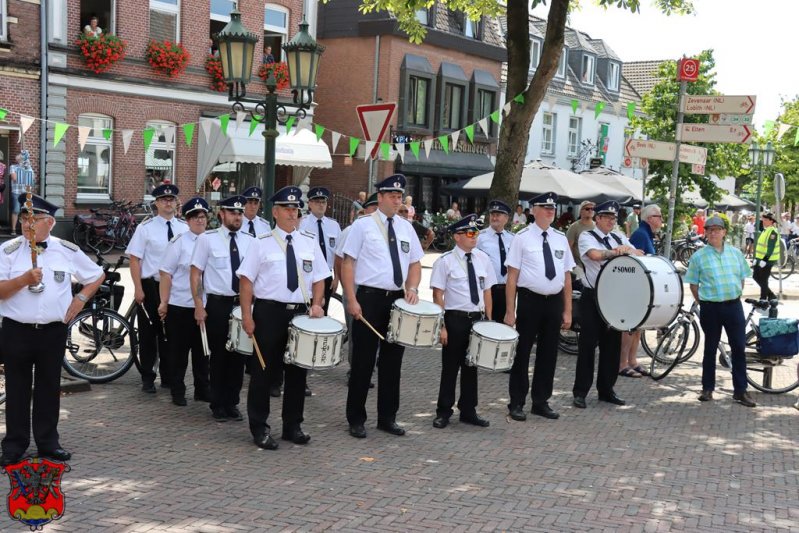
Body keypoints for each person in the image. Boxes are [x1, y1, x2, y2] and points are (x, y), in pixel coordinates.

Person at [0, 194, 104, 465]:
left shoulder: (66, 250)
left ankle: (48, 442)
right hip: (17, 330)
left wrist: (81, 298)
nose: (27, 224)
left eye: (33, 219)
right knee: (17, 389)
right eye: (24, 218)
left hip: (52, 331)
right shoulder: (8, 250)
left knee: (48, 387)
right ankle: (14, 445)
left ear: (50, 223)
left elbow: (96, 275)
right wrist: (23, 280)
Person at [237, 186, 330, 449]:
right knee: (263, 371)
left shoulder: (308, 241)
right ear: (275, 212)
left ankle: (293, 426)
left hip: (300, 313)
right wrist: (247, 316)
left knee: (298, 372)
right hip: (269, 312)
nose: (292, 213)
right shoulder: (261, 242)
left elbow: (319, 278)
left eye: (295, 209)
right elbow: (246, 281)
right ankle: (259, 427)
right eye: (287, 209)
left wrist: (317, 304)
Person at [341, 174, 424, 439]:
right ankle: (356, 418)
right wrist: (351, 299)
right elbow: (347, 263)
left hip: (396, 300)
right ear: (380, 197)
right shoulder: (363, 226)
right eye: (392, 196)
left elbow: (415, 263)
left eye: (400, 197)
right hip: (369, 298)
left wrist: (412, 288)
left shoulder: (406, 228)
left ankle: (388, 417)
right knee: (363, 361)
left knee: (392, 361)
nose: (397, 201)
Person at [504, 192, 574, 421]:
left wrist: (568, 310)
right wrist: (510, 311)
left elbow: (567, 276)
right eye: (545, 207)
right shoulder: (522, 237)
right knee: (523, 352)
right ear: (533, 211)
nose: (550, 211)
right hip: (530, 300)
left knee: (549, 353)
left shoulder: (560, 238)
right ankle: (517, 402)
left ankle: (541, 401)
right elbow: (512, 277)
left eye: (553, 208)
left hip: (553, 301)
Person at [190, 195, 255, 422]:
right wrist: (199, 305)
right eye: (232, 212)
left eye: (240, 213)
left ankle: (232, 402)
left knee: (239, 356)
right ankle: (217, 403)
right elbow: (196, 274)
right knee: (219, 355)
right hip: (218, 304)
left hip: (241, 304)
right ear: (222, 214)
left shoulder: (250, 240)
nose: (237, 216)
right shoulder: (207, 239)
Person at [573, 200, 642, 409]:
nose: (612, 221)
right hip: (593, 297)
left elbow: (639, 253)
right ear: (598, 218)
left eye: (614, 218)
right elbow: (594, 255)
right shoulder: (587, 236)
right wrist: (617, 252)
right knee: (587, 346)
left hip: (614, 298)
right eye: (607, 218)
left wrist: (627, 250)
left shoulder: (618, 237)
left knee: (611, 347)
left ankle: (606, 389)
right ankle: (580, 392)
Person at [430, 215, 495, 429]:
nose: (474, 236)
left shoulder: (483, 259)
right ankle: (443, 411)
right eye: (469, 233)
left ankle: (468, 410)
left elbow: (487, 291)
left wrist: (489, 321)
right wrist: (442, 326)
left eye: (476, 232)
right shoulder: (445, 261)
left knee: (471, 367)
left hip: (476, 320)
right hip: (455, 319)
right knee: (450, 368)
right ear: (457, 237)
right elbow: (438, 295)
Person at [684, 216, 756, 407]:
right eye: (710, 230)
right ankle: (707, 388)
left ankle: (740, 391)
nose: (714, 233)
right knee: (710, 348)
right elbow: (693, 284)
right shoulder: (698, 257)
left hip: (733, 306)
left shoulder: (736, 254)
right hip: (711, 308)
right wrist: (704, 302)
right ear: (705, 233)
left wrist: (734, 294)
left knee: (738, 348)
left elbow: (742, 278)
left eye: (717, 229)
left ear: (724, 232)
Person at [126, 184, 188, 393]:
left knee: (171, 333)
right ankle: (147, 377)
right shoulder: (146, 228)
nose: (168, 203)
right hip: (151, 285)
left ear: (176, 203)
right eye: (163, 200)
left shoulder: (184, 228)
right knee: (148, 333)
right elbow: (135, 259)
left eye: (171, 199)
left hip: (175, 287)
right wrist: (138, 288)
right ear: (157, 204)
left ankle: (168, 376)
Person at [158, 198, 211, 407]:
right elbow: (165, 273)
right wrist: (164, 302)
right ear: (187, 221)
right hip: (181, 305)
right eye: (195, 217)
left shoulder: (213, 240)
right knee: (178, 352)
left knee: (203, 352)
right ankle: (177, 390)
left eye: (203, 216)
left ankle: (202, 389)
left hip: (205, 305)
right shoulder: (179, 242)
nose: (200, 220)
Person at [336, 193, 378, 379]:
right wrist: (346, 287)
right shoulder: (351, 231)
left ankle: (369, 368)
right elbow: (340, 260)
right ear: (365, 210)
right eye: (373, 208)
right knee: (356, 332)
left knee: (374, 331)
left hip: (373, 290)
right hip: (354, 288)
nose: (376, 212)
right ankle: (354, 369)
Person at [620, 204, 663, 378]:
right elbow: (633, 263)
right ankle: (622, 363)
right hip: (635, 287)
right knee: (630, 327)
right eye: (659, 216)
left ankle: (632, 361)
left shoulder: (647, 234)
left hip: (643, 287)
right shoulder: (640, 234)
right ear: (650, 218)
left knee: (639, 327)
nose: (661, 220)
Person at [299, 187, 340, 314]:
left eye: (323, 202)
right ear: (310, 204)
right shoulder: (302, 223)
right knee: (304, 311)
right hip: (307, 274)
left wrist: (336, 278)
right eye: (317, 202)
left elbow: (338, 254)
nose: (321, 205)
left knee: (322, 312)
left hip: (326, 275)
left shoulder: (334, 225)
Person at [476, 200, 513, 323]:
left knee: (504, 326)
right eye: (492, 214)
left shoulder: (513, 239)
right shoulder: (479, 237)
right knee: (485, 324)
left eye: (498, 215)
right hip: (487, 289)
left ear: (506, 218)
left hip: (507, 290)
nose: (494, 218)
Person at [752, 211, 779, 301]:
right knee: (755, 276)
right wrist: (756, 259)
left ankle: (763, 299)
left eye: (766, 220)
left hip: (768, 259)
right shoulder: (765, 230)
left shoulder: (773, 232)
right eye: (763, 219)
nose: (763, 221)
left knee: (763, 279)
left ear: (771, 221)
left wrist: (765, 259)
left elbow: (771, 247)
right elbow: (761, 247)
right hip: (760, 259)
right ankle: (771, 295)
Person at [565, 200, 595, 277]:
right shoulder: (574, 227)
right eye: (587, 209)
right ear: (581, 211)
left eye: (592, 209)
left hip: (594, 267)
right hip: (579, 267)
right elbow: (568, 247)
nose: (590, 210)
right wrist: (572, 265)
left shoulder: (597, 226)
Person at [10, 151, 36, 237]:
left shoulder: (28, 167)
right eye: (19, 158)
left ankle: (24, 230)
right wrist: (25, 175)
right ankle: (13, 229)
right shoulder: (13, 167)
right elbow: (14, 178)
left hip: (26, 192)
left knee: (26, 212)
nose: (20, 160)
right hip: (16, 192)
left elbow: (32, 179)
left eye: (22, 158)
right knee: (16, 210)